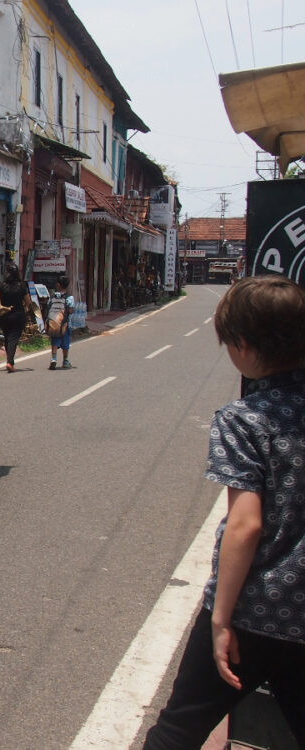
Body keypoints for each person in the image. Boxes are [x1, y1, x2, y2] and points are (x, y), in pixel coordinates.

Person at [142, 275, 305, 749]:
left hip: (254, 609)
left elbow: (245, 525)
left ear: (242, 347)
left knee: (178, 729)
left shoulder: (244, 419)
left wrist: (221, 620)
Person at [0, 264, 30, 373]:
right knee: (13, 339)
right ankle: (10, 362)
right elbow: (28, 301)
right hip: (18, 315)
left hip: (4, 315)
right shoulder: (21, 286)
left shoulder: (1, 286)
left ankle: (9, 360)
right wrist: (25, 308)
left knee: (7, 338)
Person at [47, 275, 74, 370]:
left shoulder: (52, 296)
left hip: (54, 323)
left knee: (55, 342)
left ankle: (53, 359)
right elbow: (71, 310)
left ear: (58, 285)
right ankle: (65, 361)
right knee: (65, 343)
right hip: (65, 324)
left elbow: (48, 306)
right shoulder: (69, 297)